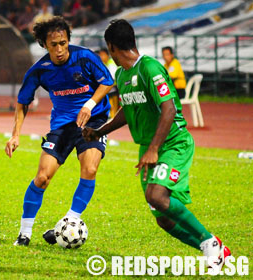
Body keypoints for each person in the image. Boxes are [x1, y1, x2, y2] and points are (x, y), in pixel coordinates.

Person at [83, 19, 230, 274]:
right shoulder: (122, 74)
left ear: (112, 47)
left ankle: (210, 242)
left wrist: (153, 149)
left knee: (156, 197)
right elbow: (128, 111)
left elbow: (169, 108)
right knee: (162, 218)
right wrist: (99, 131)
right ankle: (217, 251)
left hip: (173, 143)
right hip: (150, 146)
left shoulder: (150, 68)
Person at [5, 16, 114, 246]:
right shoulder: (39, 70)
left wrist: (89, 104)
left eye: (63, 43)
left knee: (90, 167)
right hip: (62, 125)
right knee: (43, 177)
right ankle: (24, 233)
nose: (60, 49)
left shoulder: (84, 57)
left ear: (68, 41)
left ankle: (70, 221)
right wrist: (15, 134)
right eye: (54, 44)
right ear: (44, 45)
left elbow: (107, 81)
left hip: (94, 120)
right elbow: (23, 102)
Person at [96, 48, 119, 118]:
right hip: (106, 89)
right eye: (100, 55)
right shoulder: (102, 64)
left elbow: (111, 77)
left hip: (113, 88)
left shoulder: (111, 63)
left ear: (107, 55)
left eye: (103, 55)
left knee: (114, 107)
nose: (101, 57)